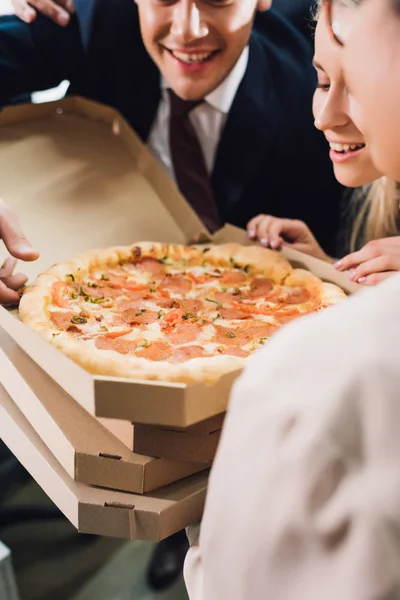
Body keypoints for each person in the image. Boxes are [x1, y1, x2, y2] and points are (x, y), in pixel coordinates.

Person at [0, 0, 344, 590]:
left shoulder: (317, 84)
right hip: (118, 305)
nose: (187, 29)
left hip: (271, 363)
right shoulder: (96, 22)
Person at [184, 0, 400, 597]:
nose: (325, 112)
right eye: (322, 80)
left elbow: (232, 584)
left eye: (349, 81)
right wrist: (325, 269)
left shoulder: (307, 382)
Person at [247, 0, 400, 287]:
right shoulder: (370, 195)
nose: (325, 119)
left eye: (358, 87)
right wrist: (330, 270)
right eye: (324, 83)